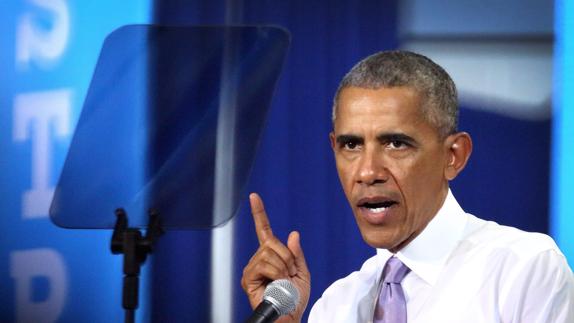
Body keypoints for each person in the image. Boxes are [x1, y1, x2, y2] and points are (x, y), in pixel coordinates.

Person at [240, 50, 574, 322]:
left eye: (396, 144)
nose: (368, 172)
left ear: (454, 156)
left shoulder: (523, 270)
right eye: (351, 145)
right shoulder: (335, 307)